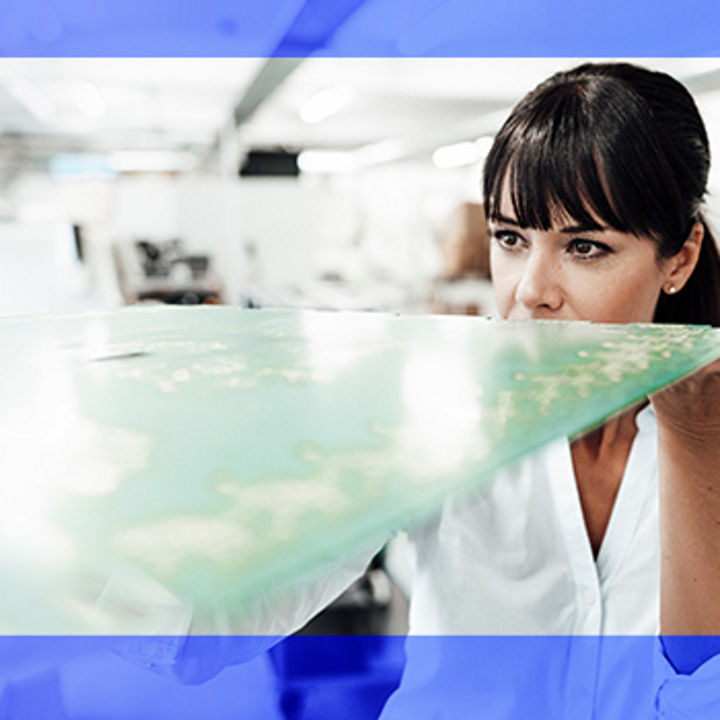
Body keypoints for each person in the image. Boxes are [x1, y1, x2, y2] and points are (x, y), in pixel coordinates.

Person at [104, 62, 720, 718]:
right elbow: (200, 631)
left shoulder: (706, 442)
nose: (530, 291)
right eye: (511, 239)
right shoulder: (440, 411)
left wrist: (695, 446)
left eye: (586, 247)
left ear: (678, 259)